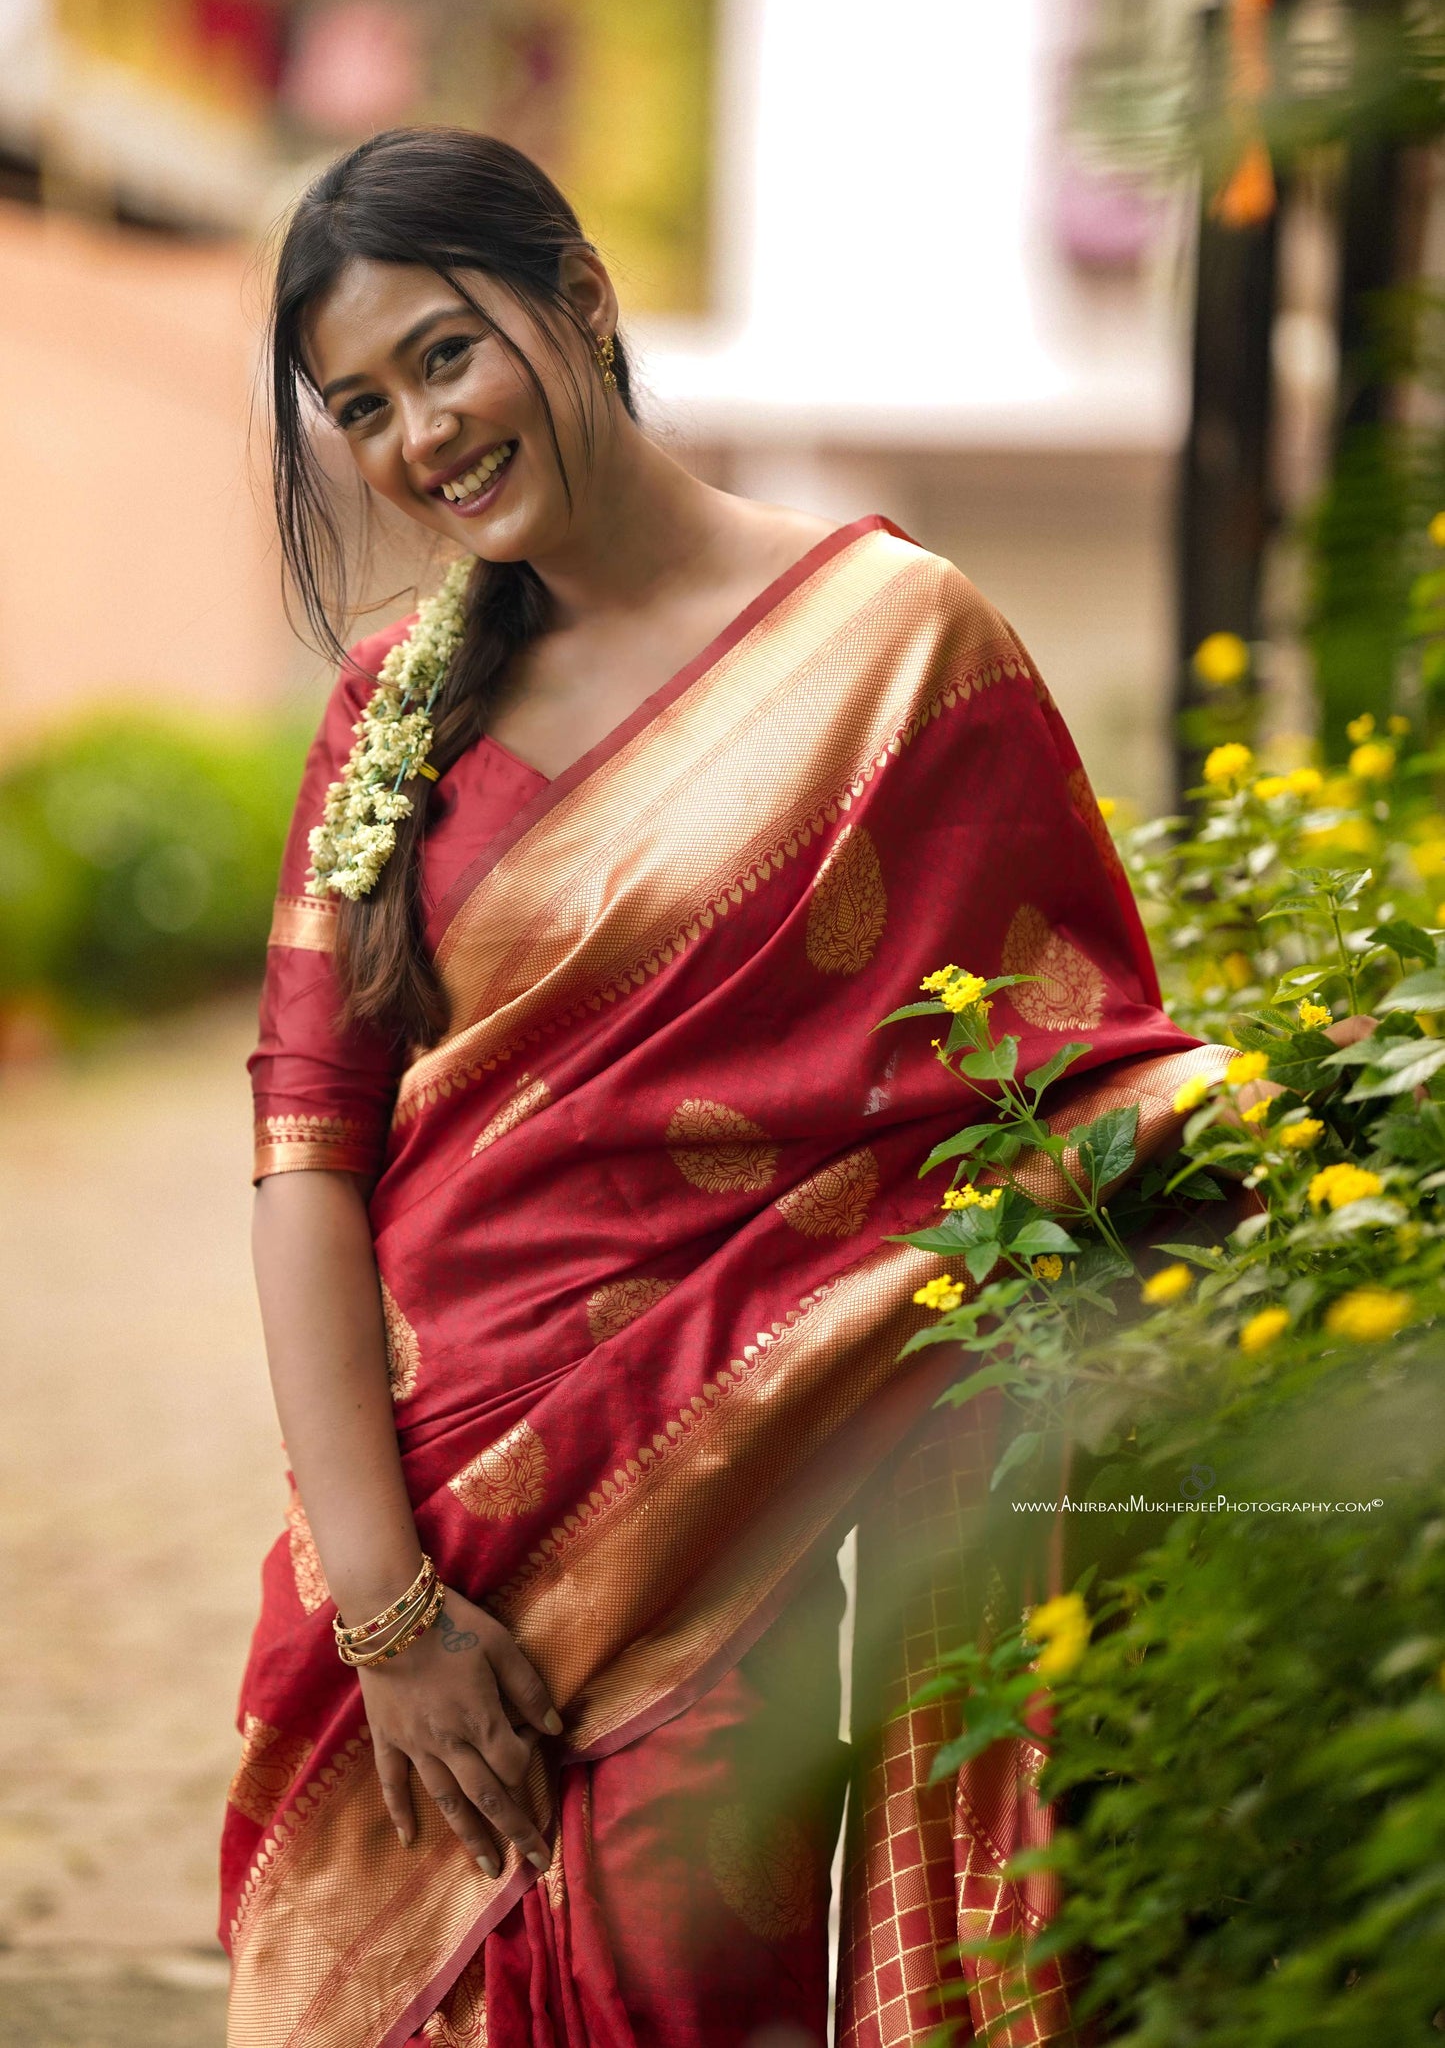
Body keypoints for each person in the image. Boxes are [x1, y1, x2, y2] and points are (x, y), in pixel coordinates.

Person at [227, 127, 1218, 2048]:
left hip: (734, 1519)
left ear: (580, 302)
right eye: (358, 404)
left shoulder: (893, 649)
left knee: (685, 1978)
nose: (417, 433)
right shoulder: (392, 711)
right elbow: (303, 1154)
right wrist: (391, 1613)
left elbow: (1066, 1078)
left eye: (446, 354)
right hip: (412, 1536)